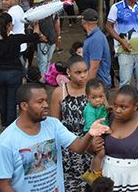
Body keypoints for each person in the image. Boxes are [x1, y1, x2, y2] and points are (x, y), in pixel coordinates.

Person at [0, 83, 110, 191]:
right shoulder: (7, 141)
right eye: (40, 102)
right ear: (24, 106)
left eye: (46, 100)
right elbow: (2, 184)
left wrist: (90, 133)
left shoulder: (53, 125)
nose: (46, 105)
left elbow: (79, 147)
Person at [90, 85, 138, 192]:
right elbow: (91, 148)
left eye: (123, 107)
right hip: (107, 181)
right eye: (115, 105)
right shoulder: (107, 118)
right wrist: (92, 146)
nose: (117, 110)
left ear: (135, 106)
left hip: (136, 181)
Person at [0, 13, 43, 128]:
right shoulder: (15, 39)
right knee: (11, 101)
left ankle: (4, 125)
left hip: (0, 73)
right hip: (14, 73)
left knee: (2, 100)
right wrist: (36, 26)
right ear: (9, 25)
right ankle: (11, 127)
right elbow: (34, 37)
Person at [48, 56, 95, 192]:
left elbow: (102, 116)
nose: (83, 76)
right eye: (78, 72)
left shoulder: (93, 90)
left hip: (90, 146)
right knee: (70, 185)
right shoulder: (59, 92)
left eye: (85, 71)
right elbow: (55, 124)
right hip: (68, 147)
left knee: (90, 184)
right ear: (68, 72)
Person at [106, 0, 138, 97]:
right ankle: (124, 104)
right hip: (124, 50)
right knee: (125, 81)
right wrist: (121, 41)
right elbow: (108, 26)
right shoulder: (116, 7)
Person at [81, 9, 112, 87]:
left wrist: (86, 86)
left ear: (84, 21)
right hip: (98, 84)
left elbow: (94, 67)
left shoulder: (95, 39)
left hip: (97, 86)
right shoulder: (96, 36)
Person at [36, 0, 61, 79]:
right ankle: (43, 78)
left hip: (52, 37)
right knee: (43, 60)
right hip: (42, 38)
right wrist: (40, 35)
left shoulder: (55, 8)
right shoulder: (38, 7)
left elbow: (57, 23)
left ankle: (45, 76)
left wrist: (58, 36)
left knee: (48, 59)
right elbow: (34, 23)